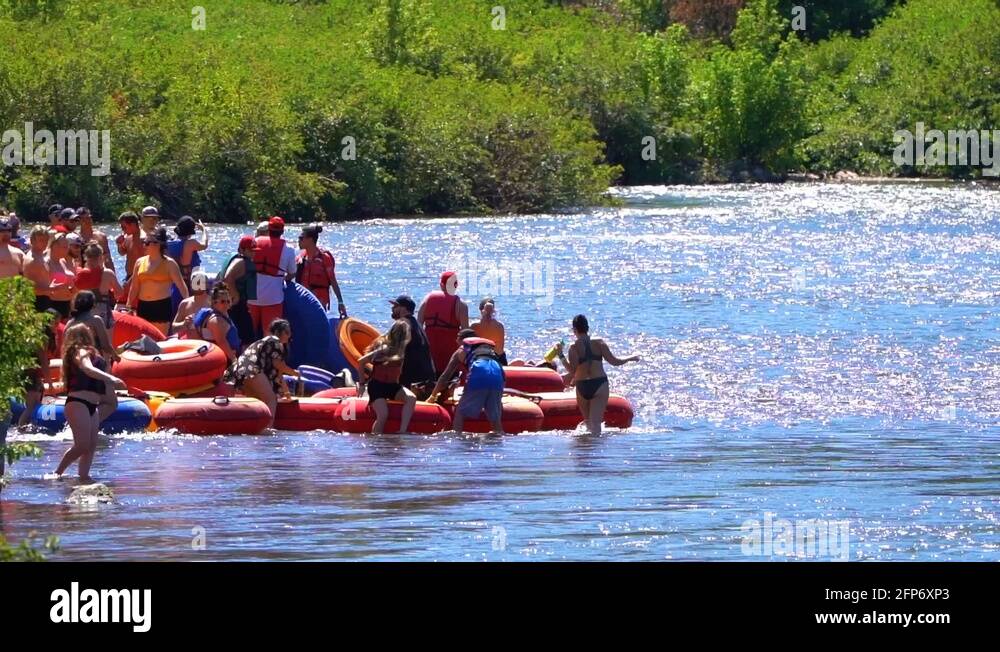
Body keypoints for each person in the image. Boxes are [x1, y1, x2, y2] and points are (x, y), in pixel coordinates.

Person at [50, 324, 127, 483]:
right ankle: (57, 473)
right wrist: (111, 379)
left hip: (91, 406)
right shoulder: (80, 351)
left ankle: (83, 477)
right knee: (82, 445)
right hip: (78, 403)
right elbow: (87, 369)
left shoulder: (92, 352)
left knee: (91, 446)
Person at [557, 314, 640, 436]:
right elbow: (614, 361)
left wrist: (560, 355)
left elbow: (572, 371)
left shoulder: (573, 348)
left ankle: (588, 451)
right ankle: (596, 452)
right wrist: (630, 358)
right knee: (595, 424)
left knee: (589, 423)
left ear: (574, 330)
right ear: (588, 328)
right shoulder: (599, 343)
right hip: (599, 384)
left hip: (582, 386)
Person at [223, 318, 300, 427]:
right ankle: (268, 430)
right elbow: (279, 366)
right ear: (278, 332)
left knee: (257, 402)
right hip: (251, 369)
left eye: (290, 332)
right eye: (286, 332)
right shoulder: (275, 341)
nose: (289, 335)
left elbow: (279, 373)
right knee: (271, 399)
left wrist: (287, 394)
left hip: (241, 370)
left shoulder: (267, 343)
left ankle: (253, 429)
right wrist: (296, 374)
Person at [427, 329, 505, 436]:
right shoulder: (488, 349)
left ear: (462, 340)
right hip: (498, 373)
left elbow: (445, 376)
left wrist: (433, 396)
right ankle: (499, 440)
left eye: (457, 338)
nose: (456, 341)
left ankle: (457, 438)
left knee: (460, 413)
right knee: (495, 419)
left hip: (480, 371)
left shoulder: (461, 350)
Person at [67, 291, 120, 425]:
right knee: (111, 403)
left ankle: (85, 426)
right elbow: (105, 345)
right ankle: (89, 425)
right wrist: (116, 356)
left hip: (75, 370)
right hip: (95, 367)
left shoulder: (70, 324)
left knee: (90, 400)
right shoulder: (96, 320)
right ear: (93, 305)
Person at [357, 320, 417, 434]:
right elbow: (361, 362)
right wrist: (361, 384)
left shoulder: (403, 351)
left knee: (411, 398)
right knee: (383, 415)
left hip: (393, 386)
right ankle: (376, 440)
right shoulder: (384, 349)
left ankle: (402, 431)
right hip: (377, 386)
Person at [125, 227, 188, 335]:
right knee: (143, 339)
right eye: (144, 242)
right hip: (143, 306)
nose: (144, 245)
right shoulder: (140, 262)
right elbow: (134, 287)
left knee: (159, 338)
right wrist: (129, 305)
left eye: (147, 243)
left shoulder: (169, 264)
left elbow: (182, 287)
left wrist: (188, 306)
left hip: (161, 306)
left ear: (158, 244)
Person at [249, 216, 295, 339]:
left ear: (268, 229)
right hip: (273, 298)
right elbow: (292, 273)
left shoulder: (255, 242)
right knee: (270, 336)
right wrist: (286, 279)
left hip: (251, 296)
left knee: (248, 333)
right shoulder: (289, 249)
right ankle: (268, 357)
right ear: (282, 231)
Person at [418, 271, 469, 378]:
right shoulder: (461, 305)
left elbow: (418, 326)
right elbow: (466, 335)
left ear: (441, 285)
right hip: (450, 355)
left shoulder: (427, 299)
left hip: (430, 354)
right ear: (456, 285)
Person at [18, 309, 61, 428]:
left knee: (35, 404)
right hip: (29, 374)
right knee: (31, 406)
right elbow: (43, 362)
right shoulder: (41, 338)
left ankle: (26, 428)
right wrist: (49, 382)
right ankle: (20, 430)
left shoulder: (48, 337)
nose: (57, 327)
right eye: (55, 323)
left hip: (34, 375)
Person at [389, 294, 436, 396]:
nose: (392, 308)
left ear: (404, 309)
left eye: (395, 306)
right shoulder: (417, 325)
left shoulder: (401, 325)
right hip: (427, 378)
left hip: (412, 381)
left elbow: (396, 355)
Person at [295, 224, 347, 315]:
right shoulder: (300, 258)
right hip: (303, 300)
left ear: (310, 240)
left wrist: (340, 302)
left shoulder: (324, 258)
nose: (298, 241)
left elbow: (333, 281)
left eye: (301, 238)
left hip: (319, 302)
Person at [218, 235, 257, 349]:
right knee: (247, 338)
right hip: (237, 306)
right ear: (242, 250)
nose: (253, 253)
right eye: (251, 250)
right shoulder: (241, 262)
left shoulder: (235, 259)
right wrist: (236, 295)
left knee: (239, 336)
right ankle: (244, 363)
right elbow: (227, 278)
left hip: (232, 305)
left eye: (254, 250)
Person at [74, 244, 122, 333]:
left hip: (86, 310)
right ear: (101, 257)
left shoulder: (81, 274)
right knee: (106, 339)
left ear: (86, 257)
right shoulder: (107, 273)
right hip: (102, 310)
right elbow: (119, 293)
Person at [191, 285, 240, 364]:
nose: (226, 304)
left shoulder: (221, 314)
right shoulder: (217, 321)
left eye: (228, 301)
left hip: (220, 356)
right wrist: (234, 360)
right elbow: (222, 342)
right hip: (223, 360)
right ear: (214, 302)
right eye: (223, 301)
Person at [166, 215, 208, 290]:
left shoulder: (168, 244)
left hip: (173, 282)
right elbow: (204, 245)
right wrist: (204, 230)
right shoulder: (191, 243)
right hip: (191, 282)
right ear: (191, 231)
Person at [46, 232, 77, 319]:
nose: (67, 249)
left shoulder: (62, 261)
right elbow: (45, 286)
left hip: (68, 303)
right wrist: (55, 287)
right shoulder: (47, 263)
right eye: (65, 247)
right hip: (54, 304)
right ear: (54, 246)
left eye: (67, 246)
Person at [171, 271, 211, 337]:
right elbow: (173, 328)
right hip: (190, 342)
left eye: (200, 282)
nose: (198, 285)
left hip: (208, 342)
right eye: (195, 282)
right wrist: (183, 324)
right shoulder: (185, 304)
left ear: (207, 285)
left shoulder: (213, 303)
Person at [76, 207, 115, 274]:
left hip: (100, 272)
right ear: (79, 221)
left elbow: (108, 258)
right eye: (84, 219)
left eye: (89, 218)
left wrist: (113, 274)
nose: (88, 221)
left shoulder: (101, 236)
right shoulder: (76, 238)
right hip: (84, 273)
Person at [471, 297, 507, 366]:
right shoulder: (500, 326)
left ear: (481, 310)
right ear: (494, 311)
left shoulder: (474, 326)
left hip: (484, 359)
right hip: (499, 359)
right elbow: (500, 350)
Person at [23, 226, 52, 311]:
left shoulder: (41, 255)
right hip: (37, 301)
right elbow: (31, 288)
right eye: (41, 240)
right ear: (32, 241)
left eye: (46, 240)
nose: (45, 243)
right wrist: (54, 289)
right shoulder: (32, 260)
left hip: (45, 298)